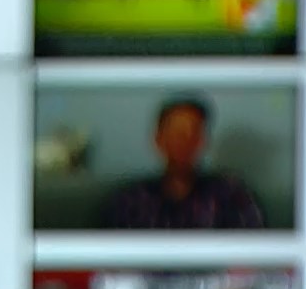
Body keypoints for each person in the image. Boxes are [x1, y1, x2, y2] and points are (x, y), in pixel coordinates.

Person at [98, 94, 264, 229]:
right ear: (158, 140)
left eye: (193, 133)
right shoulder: (130, 201)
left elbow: (256, 250)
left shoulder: (231, 196)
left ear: (203, 142)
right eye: (177, 134)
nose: (185, 142)